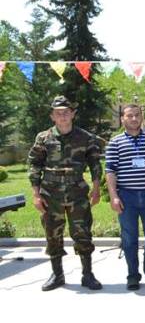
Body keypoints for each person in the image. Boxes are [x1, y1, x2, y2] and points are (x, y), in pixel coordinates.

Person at [28, 96, 104, 291]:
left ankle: (87, 275)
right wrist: (36, 195)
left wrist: (96, 189)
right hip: (50, 195)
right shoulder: (43, 138)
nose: (62, 116)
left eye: (66, 112)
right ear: (52, 116)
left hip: (77, 194)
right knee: (52, 234)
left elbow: (95, 164)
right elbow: (34, 165)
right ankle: (57, 274)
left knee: (83, 233)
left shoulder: (85, 137)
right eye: (58, 113)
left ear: (73, 114)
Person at [105, 103, 145, 290]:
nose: (134, 118)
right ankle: (133, 275)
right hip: (127, 197)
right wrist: (113, 195)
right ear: (122, 119)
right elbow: (110, 171)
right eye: (129, 115)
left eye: (137, 115)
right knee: (129, 239)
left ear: (141, 117)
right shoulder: (115, 142)